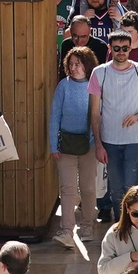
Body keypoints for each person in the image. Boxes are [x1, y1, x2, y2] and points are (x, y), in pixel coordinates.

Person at [88, 31, 138, 220]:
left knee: (131, 187)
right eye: (116, 48)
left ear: (130, 48)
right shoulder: (100, 72)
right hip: (110, 140)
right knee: (115, 189)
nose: (121, 52)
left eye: (125, 48)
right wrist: (98, 144)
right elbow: (94, 113)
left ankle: (131, 226)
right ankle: (120, 226)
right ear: (110, 49)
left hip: (134, 139)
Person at [48, 48, 97, 248]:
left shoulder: (95, 86)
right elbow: (54, 116)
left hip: (90, 145)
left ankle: (87, 225)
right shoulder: (63, 86)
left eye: (78, 63)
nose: (74, 67)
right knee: (67, 189)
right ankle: (67, 229)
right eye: (71, 63)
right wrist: (53, 145)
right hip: (65, 145)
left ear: (88, 65)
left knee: (87, 187)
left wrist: (98, 142)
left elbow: (99, 115)